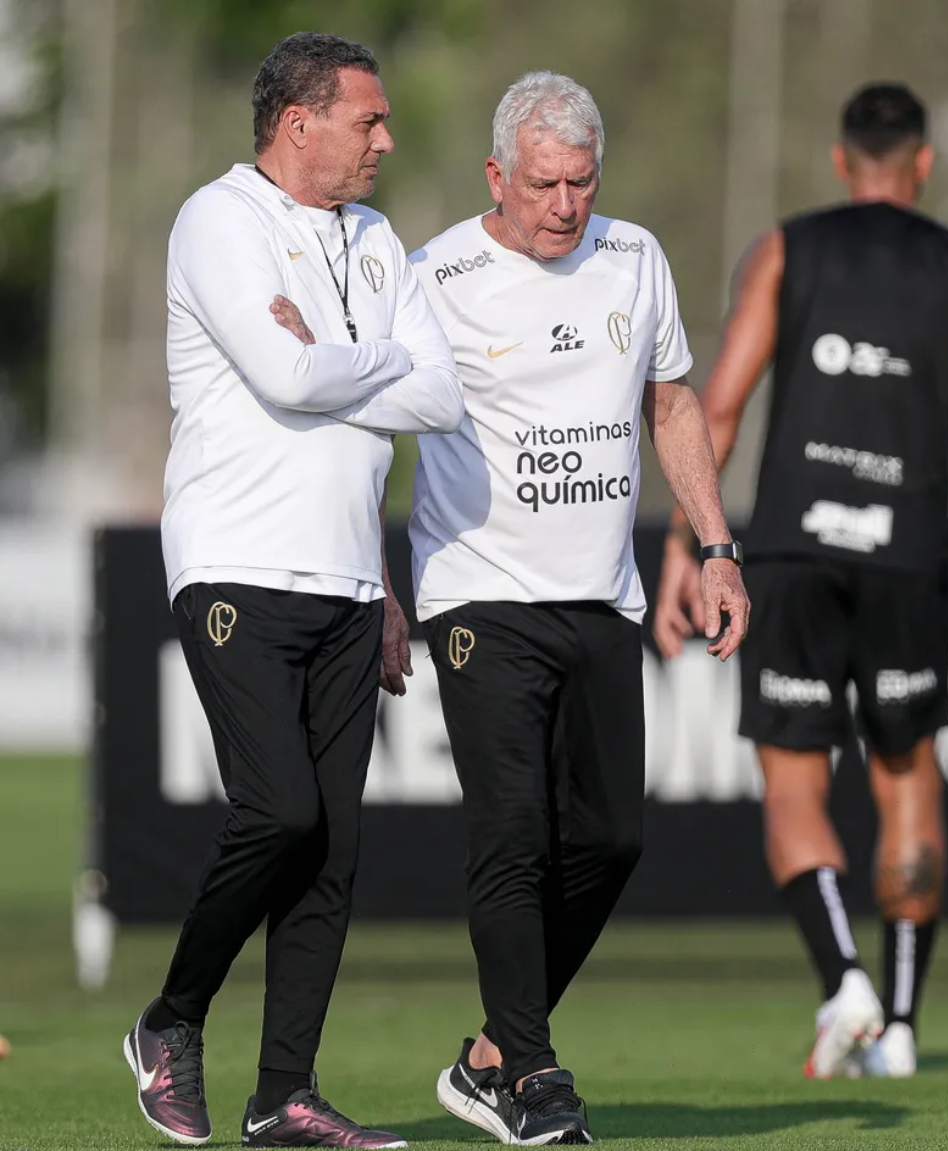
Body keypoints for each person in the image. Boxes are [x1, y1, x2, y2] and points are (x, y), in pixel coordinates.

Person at [654, 82, 948, 1080]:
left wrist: (690, 545)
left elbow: (716, 407)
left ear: (839, 159)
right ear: (925, 162)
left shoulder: (784, 250)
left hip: (791, 552)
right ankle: (899, 1026)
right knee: (908, 781)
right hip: (906, 558)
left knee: (791, 778)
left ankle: (843, 981)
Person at [125, 32, 462, 1149]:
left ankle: (286, 1093)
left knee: (333, 850)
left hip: (348, 578)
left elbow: (442, 396)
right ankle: (170, 1019)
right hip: (235, 561)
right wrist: (365, 364)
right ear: (297, 123)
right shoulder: (218, 219)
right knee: (280, 811)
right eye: (367, 120)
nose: (386, 140)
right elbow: (283, 373)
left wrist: (334, 361)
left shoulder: (378, 237)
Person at [406, 72, 749, 1145]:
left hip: (602, 594)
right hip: (478, 592)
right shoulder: (433, 277)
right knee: (511, 832)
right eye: (544, 183)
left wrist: (716, 545)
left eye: (583, 181)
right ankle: (534, 1074)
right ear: (497, 177)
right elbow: (370, 420)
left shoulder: (636, 256)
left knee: (612, 836)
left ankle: (490, 1052)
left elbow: (673, 401)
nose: (566, 205)